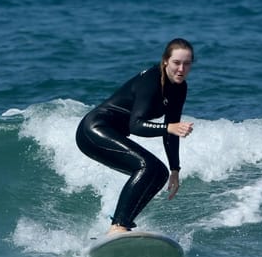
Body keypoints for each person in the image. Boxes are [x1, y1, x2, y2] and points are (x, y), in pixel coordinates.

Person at [76, 38, 195, 234]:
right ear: (165, 60)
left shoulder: (179, 88)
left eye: (187, 63)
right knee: (148, 167)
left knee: (159, 173)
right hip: (94, 129)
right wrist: (169, 128)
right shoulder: (151, 81)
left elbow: (172, 130)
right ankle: (118, 225)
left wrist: (175, 169)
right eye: (176, 63)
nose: (181, 69)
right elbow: (137, 125)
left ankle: (122, 224)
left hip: (109, 132)